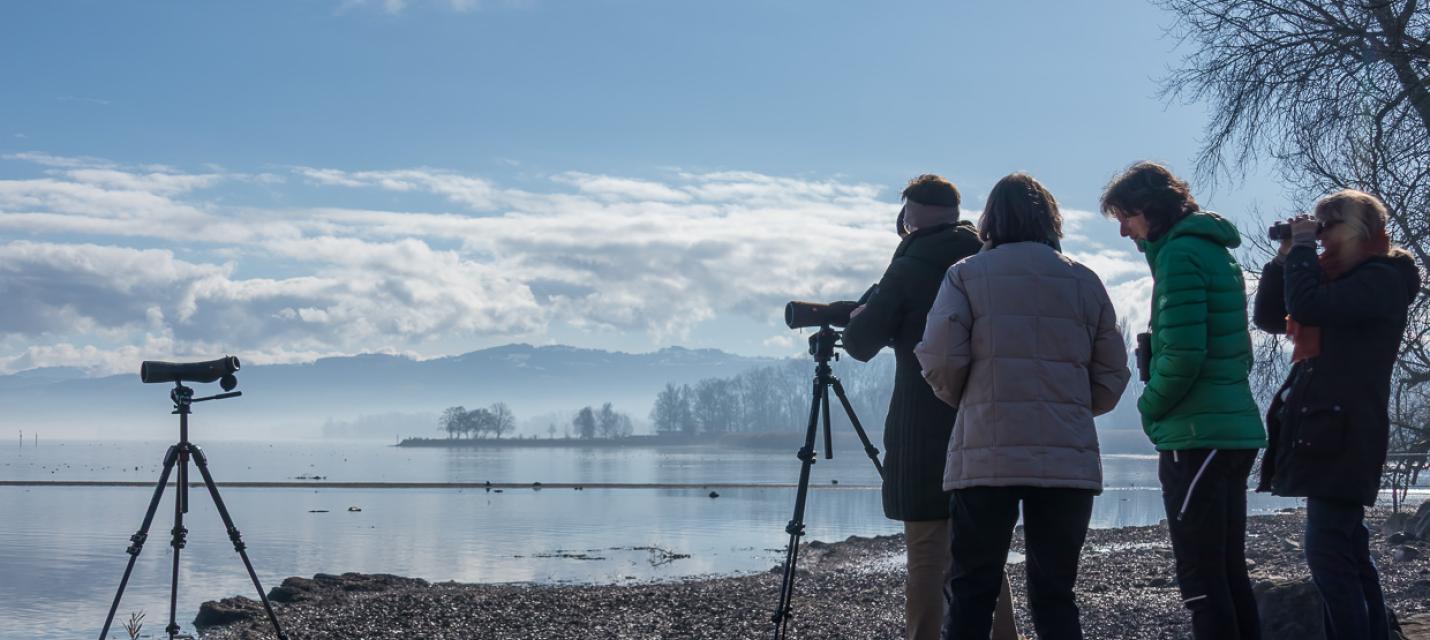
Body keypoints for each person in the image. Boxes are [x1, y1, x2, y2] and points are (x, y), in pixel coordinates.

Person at [916, 172, 1130, 640]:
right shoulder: (1084, 279)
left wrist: (973, 400)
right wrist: (1069, 408)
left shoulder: (966, 274)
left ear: (989, 221)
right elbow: (1113, 373)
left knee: (972, 590)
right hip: (1065, 457)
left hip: (986, 452)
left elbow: (938, 358)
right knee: (1055, 594)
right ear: (1051, 219)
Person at [843, 174, 1018, 640]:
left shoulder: (913, 262)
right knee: (979, 553)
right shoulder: (984, 256)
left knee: (925, 550)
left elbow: (860, 344)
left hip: (923, 425)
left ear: (912, 212)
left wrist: (861, 317)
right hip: (983, 419)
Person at [1101, 161, 1267, 640]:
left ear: (1149, 210)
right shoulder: (1214, 252)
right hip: (1229, 432)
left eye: (1125, 217)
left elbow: (1185, 356)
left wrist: (1148, 406)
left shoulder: (1180, 256)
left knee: (1200, 578)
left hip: (1196, 436)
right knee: (1227, 570)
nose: (1122, 231)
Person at [1252, 190, 1419, 640]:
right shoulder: (1331, 278)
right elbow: (1270, 315)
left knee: (1327, 555)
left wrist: (1303, 251)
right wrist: (1285, 258)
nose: (1321, 235)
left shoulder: (1383, 279)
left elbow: (1307, 307)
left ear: (1363, 230)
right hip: (1325, 432)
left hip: (1346, 435)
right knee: (1348, 552)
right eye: (1317, 224)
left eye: (1331, 224)